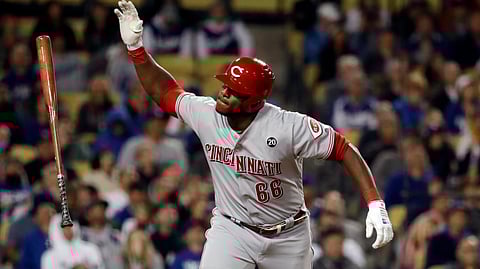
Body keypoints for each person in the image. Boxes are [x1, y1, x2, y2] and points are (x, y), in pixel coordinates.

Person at [114, 1, 394, 268]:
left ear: (254, 102)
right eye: (225, 85)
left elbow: (343, 148)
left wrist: (374, 203)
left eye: (234, 91)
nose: (223, 92)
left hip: (288, 235)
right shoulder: (207, 114)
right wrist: (137, 49)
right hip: (232, 230)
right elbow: (165, 93)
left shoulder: (287, 126)